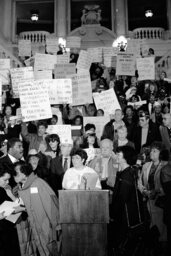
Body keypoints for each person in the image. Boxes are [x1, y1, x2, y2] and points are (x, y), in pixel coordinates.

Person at [13, 161, 60, 256]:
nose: (14, 175)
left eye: (16, 173)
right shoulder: (21, 187)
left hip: (47, 227)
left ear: (24, 172)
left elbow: (52, 206)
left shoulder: (39, 184)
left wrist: (57, 226)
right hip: (36, 227)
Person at [110, 146, 144, 255]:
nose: (116, 157)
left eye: (119, 155)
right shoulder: (126, 172)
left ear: (125, 158)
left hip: (126, 216)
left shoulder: (127, 174)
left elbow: (122, 197)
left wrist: (113, 213)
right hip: (124, 214)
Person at [138, 142, 168, 244]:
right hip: (147, 199)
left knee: (161, 225)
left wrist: (156, 191)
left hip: (160, 200)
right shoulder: (146, 165)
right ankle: (153, 246)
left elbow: (167, 185)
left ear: (161, 153)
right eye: (151, 150)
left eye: (155, 151)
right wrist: (144, 191)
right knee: (151, 224)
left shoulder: (166, 165)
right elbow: (140, 182)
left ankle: (162, 245)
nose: (151, 152)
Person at [0, 166, 21, 256]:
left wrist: (11, 195)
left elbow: (18, 204)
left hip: (9, 227)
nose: (7, 182)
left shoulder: (7, 188)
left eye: (8, 179)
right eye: (5, 180)